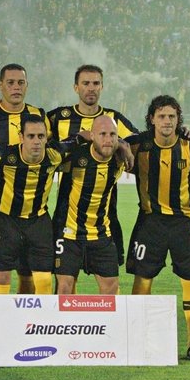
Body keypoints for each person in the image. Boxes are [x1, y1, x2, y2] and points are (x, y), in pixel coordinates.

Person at [126, 95, 190, 362]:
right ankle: (140, 338)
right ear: (152, 118)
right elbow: (112, 145)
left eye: (172, 117)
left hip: (186, 223)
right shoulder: (139, 144)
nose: (167, 121)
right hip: (150, 222)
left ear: (179, 120)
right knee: (142, 278)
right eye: (161, 116)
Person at [48, 64, 139, 274]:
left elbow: (140, 141)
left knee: (108, 277)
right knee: (65, 278)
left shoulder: (113, 118)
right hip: (67, 205)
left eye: (96, 83)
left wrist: (123, 144)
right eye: (86, 83)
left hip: (105, 207)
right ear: (76, 87)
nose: (91, 88)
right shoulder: (59, 117)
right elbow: (32, 127)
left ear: (102, 87)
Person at [0, 63, 49, 293]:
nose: (16, 87)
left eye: (21, 82)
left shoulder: (38, 116)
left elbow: (51, 150)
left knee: (27, 274)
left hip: (31, 212)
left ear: (27, 85)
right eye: (10, 82)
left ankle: (26, 322)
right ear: (0, 86)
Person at [0, 115, 67, 295]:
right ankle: (2, 319)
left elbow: (80, 142)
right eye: (31, 136)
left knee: (44, 280)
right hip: (4, 221)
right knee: (2, 276)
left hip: (38, 221)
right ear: (21, 137)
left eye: (41, 136)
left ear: (46, 137)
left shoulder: (55, 155)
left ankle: (40, 322)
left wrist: (124, 148)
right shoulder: (5, 155)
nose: (36, 141)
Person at [55, 116, 127, 295]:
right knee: (64, 288)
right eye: (103, 134)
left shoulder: (119, 159)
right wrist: (78, 137)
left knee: (111, 288)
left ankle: (105, 324)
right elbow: (52, 155)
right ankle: (66, 324)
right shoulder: (76, 156)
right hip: (70, 234)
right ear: (92, 135)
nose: (108, 139)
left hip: (102, 233)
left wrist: (125, 147)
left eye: (112, 135)